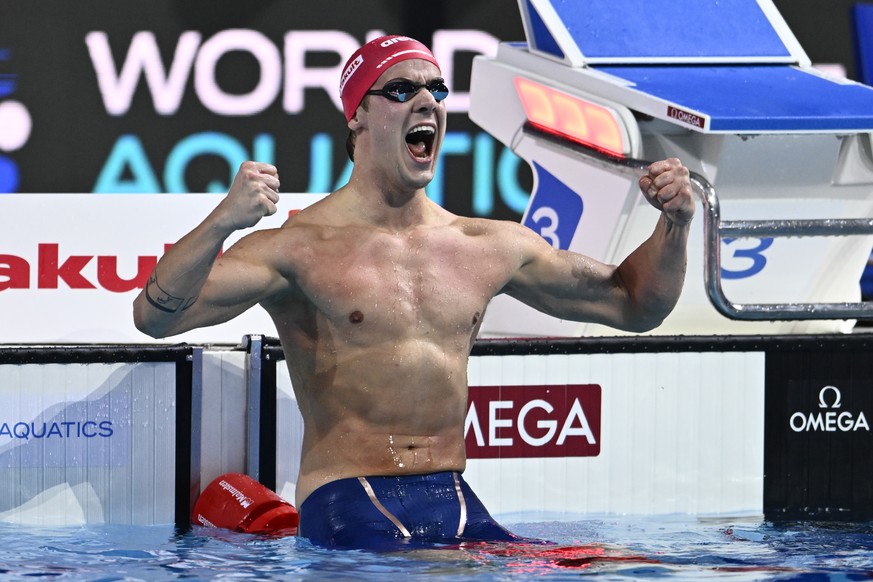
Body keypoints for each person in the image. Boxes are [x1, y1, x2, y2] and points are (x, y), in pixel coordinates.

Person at [133, 35, 695, 549]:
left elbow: (635, 304)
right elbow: (155, 317)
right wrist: (223, 222)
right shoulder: (299, 249)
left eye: (437, 89)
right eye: (401, 90)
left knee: (613, 565)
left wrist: (673, 224)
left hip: (455, 501)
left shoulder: (486, 246)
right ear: (357, 116)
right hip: (346, 500)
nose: (427, 101)